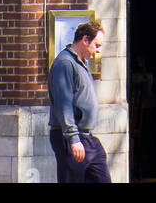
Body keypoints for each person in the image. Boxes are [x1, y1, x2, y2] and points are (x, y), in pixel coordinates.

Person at [47, 21, 110, 183]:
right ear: (84, 40)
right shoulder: (65, 63)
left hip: (87, 136)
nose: (97, 50)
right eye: (96, 45)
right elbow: (63, 105)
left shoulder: (80, 62)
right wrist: (73, 139)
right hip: (70, 137)